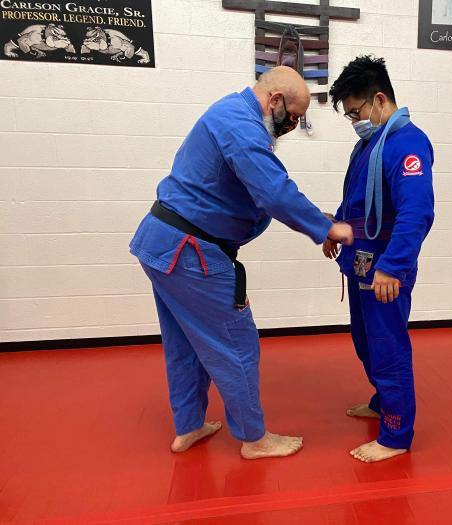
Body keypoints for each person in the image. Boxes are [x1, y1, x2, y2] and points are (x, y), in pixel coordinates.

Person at [129, 66, 353, 460]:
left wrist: (314, 218)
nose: (292, 127)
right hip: (190, 251)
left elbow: (253, 192)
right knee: (237, 343)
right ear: (275, 100)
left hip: (163, 244)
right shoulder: (241, 125)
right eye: (293, 117)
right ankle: (254, 438)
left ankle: (189, 426)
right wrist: (327, 228)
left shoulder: (229, 114)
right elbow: (274, 192)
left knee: (185, 342)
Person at [324, 56, 435, 462]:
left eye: (356, 112)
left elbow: (416, 211)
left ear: (380, 100)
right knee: (365, 340)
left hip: (386, 265)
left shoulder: (408, 144)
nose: (355, 121)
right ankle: (381, 401)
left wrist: (393, 266)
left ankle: (396, 434)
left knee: (388, 346)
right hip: (360, 258)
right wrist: (335, 226)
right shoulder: (369, 145)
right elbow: (357, 200)